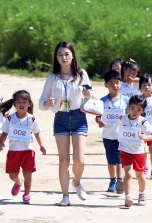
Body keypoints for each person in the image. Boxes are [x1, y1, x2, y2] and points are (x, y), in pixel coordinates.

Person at [38, 41, 94, 206]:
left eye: (66, 54)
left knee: (79, 160)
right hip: (60, 119)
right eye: (60, 54)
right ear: (56, 57)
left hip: (79, 118)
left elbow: (92, 97)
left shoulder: (81, 74)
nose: (63, 57)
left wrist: (88, 94)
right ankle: (65, 196)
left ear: (73, 55)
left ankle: (76, 183)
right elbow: (41, 102)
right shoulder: (52, 78)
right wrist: (47, 103)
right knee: (64, 160)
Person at [0, 90, 46, 205]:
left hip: (28, 151)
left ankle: (27, 194)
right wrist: (2, 142)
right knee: (12, 175)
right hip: (13, 152)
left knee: (28, 173)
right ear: (14, 104)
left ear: (29, 104)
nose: (21, 104)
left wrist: (41, 146)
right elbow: (4, 132)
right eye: (18, 101)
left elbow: (37, 133)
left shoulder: (32, 119)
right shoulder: (10, 118)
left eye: (24, 101)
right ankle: (18, 182)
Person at [95, 70, 129, 194]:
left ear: (121, 84)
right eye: (111, 83)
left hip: (122, 135)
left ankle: (120, 180)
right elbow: (98, 116)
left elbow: (131, 115)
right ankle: (112, 180)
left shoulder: (126, 100)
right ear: (105, 85)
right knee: (110, 159)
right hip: (108, 135)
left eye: (117, 83)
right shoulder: (102, 101)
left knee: (119, 158)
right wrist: (100, 122)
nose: (115, 86)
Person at [117, 95, 152, 207]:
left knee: (140, 175)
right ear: (129, 107)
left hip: (138, 152)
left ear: (143, 110)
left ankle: (142, 193)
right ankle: (128, 197)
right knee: (128, 173)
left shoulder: (143, 122)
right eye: (132, 108)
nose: (135, 112)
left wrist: (143, 137)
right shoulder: (122, 118)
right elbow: (117, 130)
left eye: (138, 110)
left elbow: (151, 136)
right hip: (125, 150)